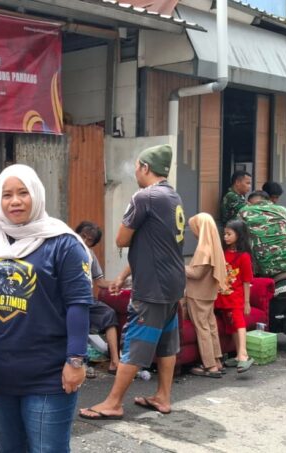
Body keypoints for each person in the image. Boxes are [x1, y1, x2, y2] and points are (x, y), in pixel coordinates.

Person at [0, 164, 92, 452]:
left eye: (23, 193)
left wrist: (76, 360)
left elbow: (78, 304)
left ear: (36, 194)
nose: (15, 201)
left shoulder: (63, 242)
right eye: (7, 195)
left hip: (48, 375)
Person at [80, 144, 185, 420]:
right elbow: (155, 247)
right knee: (166, 343)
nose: (135, 172)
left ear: (145, 168)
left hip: (152, 288)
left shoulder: (144, 197)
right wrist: (123, 276)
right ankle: (163, 396)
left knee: (135, 342)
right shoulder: (173, 196)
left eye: (137, 167)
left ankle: (113, 403)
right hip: (173, 285)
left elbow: (121, 239)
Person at [183, 213, 228, 378]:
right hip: (209, 293)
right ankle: (217, 361)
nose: (193, 231)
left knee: (202, 329)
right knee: (211, 327)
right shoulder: (214, 246)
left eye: (194, 227)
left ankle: (210, 366)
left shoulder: (203, 249)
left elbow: (196, 274)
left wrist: (178, 265)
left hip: (197, 294)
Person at [75, 221, 121, 374]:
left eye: (89, 240)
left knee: (109, 314)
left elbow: (100, 282)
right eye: (83, 236)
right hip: (70, 301)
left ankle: (115, 361)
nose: (85, 241)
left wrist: (118, 282)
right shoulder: (66, 250)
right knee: (77, 319)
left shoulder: (90, 255)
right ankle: (80, 364)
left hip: (88, 300)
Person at [216, 220, 255, 373]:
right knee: (231, 325)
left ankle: (243, 354)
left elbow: (246, 280)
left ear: (239, 235)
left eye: (229, 234)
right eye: (224, 234)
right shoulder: (223, 253)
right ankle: (239, 355)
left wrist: (247, 302)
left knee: (239, 323)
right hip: (223, 296)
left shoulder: (243, 256)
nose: (225, 237)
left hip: (236, 297)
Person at [238, 190, 286, 277]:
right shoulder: (283, 210)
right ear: (268, 200)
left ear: (249, 203)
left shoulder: (244, 211)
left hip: (265, 269)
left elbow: (239, 239)